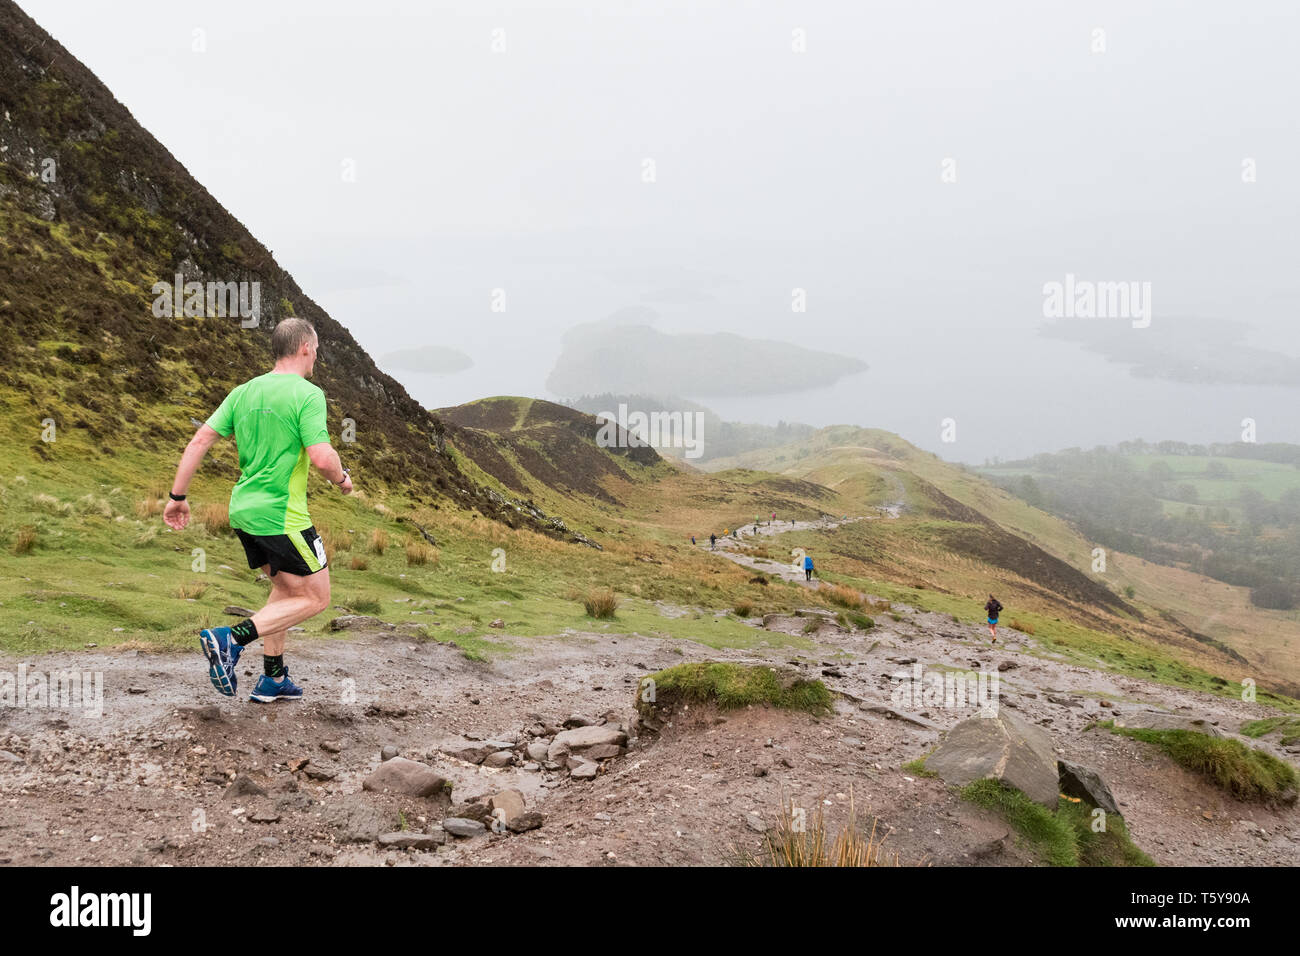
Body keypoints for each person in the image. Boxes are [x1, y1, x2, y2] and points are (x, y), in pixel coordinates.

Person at [164, 318, 353, 703]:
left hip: (243, 513)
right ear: (304, 347)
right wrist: (342, 479)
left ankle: (274, 677)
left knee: (284, 590)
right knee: (316, 598)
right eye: (315, 349)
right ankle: (229, 640)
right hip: (282, 516)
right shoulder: (308, 394)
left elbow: (200, 439)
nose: (315, 355)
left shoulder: (243, 393)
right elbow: (321, 457)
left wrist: (178, 497)